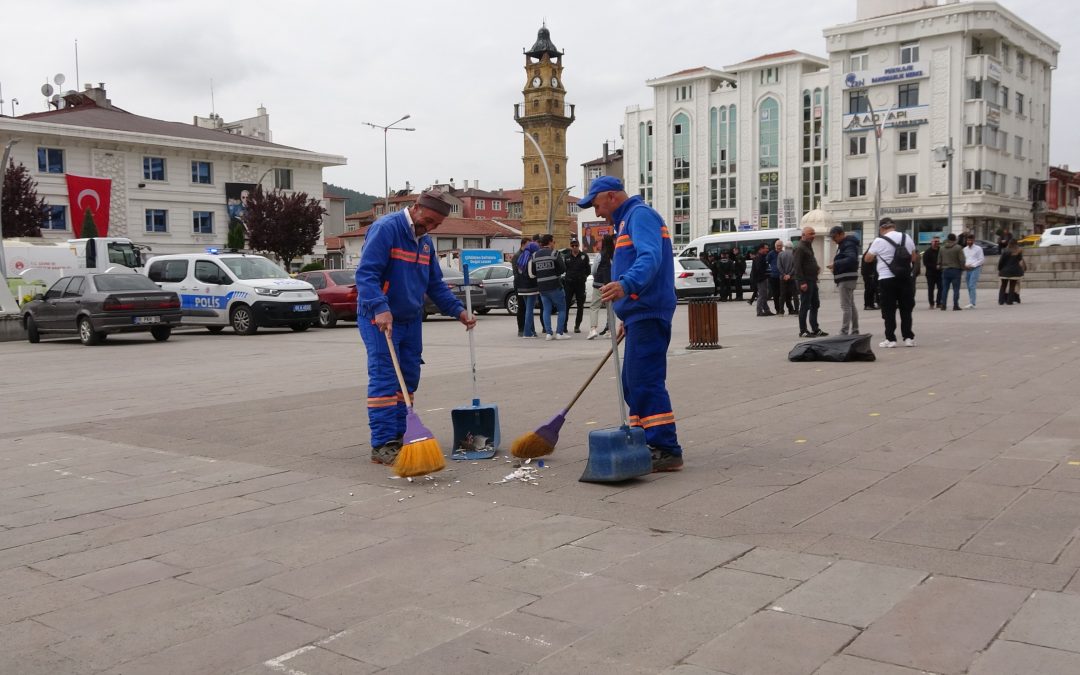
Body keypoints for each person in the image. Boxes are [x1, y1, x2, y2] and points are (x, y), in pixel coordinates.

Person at [355, 190, 476, 465]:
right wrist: (379, 307)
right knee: (386, 378)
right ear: (415, 206)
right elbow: (366, 273)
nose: (430, 227)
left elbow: (434, 284)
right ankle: (383, 443)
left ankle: (400, 433)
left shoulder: (425, 243)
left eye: (436, 225)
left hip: (410, 320)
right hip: (380, 318)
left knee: (408, 378)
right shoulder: (386, 229)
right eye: (429, 220)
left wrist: (458, 311)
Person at [584, 176, 683, 473]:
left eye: (597, 205)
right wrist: (628, 316)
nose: (597, 212)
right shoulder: (627, 221)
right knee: (632, 381)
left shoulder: (640, 216)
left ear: (612, 197)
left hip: (649, 311)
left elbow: (650, 257)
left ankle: (666, 449)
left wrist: (627, 284)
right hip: (640, 314)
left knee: (645, 380)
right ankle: (644, 440)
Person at [865, 217, 917, 348]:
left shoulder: (879, 240)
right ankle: (908, 338)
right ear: (893, 226)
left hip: (886, 278)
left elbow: (867, 259)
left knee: (889, 310)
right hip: (906, 277)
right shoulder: (907, 237)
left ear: (882, 228)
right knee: (906, 309)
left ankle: (890, 339)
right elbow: (914, 257)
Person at [530, 234, 569, 340]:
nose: (554, 244)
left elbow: (533, 272)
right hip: (555, 285)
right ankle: (560, 333)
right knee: (561, 308)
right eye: (553, 242)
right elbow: (562, 268)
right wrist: (554, 273)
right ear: (550, 242)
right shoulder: (554, 253)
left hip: (542, 287)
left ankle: (548, 333)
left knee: (546, 309)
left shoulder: (534, 255)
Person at [794, 227, 827, 338]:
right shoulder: (800, 248)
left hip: (812, 280)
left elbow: (808, 262)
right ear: (804, 235)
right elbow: (797, 266)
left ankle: (815, 329)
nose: (813, 235)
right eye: (811, 233)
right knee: (805, 306)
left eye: (814, 233)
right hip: (806, 281)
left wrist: (815, 268)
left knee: (815, 304)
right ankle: (803, 330)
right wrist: (802, 282)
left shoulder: (808, 246)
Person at [828, 226, 860, 335]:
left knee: (846, 306)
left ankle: (844, 331)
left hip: (846, 278)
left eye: (834, 237)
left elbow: (851, 259)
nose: (833, 239)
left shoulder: (847, 244)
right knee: (851, 304)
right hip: (849, 277)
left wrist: (835, 264)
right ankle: (855, 330)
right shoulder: (846, 244)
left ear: (841, 234)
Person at [587, 234, 615, 339]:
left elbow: (593, 270)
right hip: (610, 284)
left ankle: (593, 329)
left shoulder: (600, 255)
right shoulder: (615, 254)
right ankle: (610, 330)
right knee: (610, 308)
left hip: (598, 284)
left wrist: (597, 277)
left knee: (594, 306)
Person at [562, 238, 590, 333]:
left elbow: (588, 270)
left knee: (580, 305)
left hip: (580, 284)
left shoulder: (584, 256)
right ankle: (564, 326)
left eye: (576, 245)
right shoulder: (567, 257)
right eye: (572, 245)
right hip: (569, 284)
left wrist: (583, 277)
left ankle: (577, 326)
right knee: (566, 305)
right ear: (571, 246)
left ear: (578, 245)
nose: (574, 247)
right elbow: (564, 269)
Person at [513, 238, 538, 338]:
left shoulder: (521, 257)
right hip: (530, 287)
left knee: (527, 309)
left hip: (522, 288)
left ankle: (530, 331)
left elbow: (519, 272)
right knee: (528, 310)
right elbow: (531, 275)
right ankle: (526, 332)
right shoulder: (529, 258)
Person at [938, 233, 965, 310]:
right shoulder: (958, 248)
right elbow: (962, 260)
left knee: (945, 289)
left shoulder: (942, 248)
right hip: (956, 270)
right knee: (956, 289)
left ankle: (943, 305)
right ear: (955, 239)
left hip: (945, 270)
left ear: (948, 239)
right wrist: (962, 268)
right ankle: (955, 305)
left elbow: (939, 260)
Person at [749, 242, 774, 317]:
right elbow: (759, 269)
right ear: (761, 249)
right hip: (761, 279)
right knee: (762, 295)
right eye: (766, 248)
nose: (767, 249)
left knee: (764, 295)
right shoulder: (759, 257)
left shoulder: (762, 256)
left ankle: (766, 310)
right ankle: (759, 311)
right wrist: (767, 272)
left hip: (763, 278)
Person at [997, 240, 1025, 305]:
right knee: (1012, 286)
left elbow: (1001, 262)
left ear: (1009, 244)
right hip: (1014, 271)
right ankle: (1010, 301)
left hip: (1004, 271)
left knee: (1003, 286)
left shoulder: (1005, 251)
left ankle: (1001, 301)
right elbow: (1020, 262)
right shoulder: (1018, 252)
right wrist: (1022, 270)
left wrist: (999, 269)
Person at [963, 235, 985, 309]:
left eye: (970, 240)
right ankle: (971, 301)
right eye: (968, 240)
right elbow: (964, 259)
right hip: (967, 269)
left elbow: (981, 259)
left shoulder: (978, 249)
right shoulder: (965, 249)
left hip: (975, 268)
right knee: (969, 285)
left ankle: (973, 303)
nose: (969, 242)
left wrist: (973, 265)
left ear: (973, 240)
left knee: (972, 285)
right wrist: (965, 265)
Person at [778, 241, 799, 315]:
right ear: (792, 247)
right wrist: (789, 275)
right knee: (795, 295)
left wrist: (784, 275)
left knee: (782, 295)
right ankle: (796, 311)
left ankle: (781, 311)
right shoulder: (794, 254)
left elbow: (779, 266)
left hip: (782, 278)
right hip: (792, 277)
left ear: (785, 247)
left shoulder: (780, 254)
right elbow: (795, 266)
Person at [922, 236, 943, 309]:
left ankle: (939, 302)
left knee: (941, 288)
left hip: (940, 273)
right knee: (931, 289)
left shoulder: (941, 250)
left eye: (938, 241)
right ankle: (931, 303)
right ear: (931, 242)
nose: (937, 243)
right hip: (930, 274)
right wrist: (935, 266)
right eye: (935, 241)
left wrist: (940, 266)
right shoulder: (927, 252)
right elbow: (925, 263)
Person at [767, 240, 783, 315]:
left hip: (782, 276)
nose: (779, 247)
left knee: (782, 294)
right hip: (774, 276)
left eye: (780, 245)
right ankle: (778, 309)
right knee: (776, 294)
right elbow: (767, 261)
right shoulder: (771, 254)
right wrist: (773, 268)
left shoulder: (783, 253)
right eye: (778, 245)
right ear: (775, 246)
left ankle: (781, 308)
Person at [861, 244, 879, 310]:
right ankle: (868, 305)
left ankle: (871, 304)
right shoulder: (869, 254)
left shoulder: (870, 253)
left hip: (869, 274)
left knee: (871, 290)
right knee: (869, 290)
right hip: (869, 274)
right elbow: (867, 265)